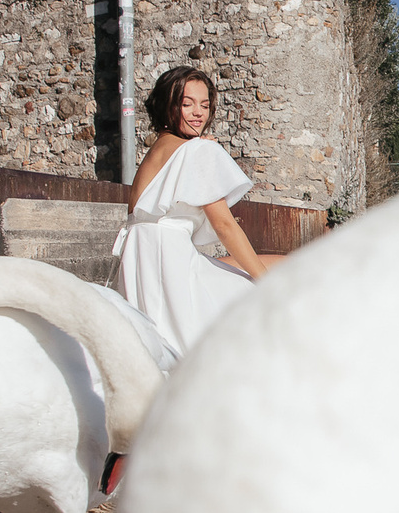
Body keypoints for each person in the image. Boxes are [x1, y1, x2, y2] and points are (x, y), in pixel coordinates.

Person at [113, 65, 280, 356]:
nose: (198, 113)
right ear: (168, 105)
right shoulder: (197, 151)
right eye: (186, 103)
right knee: (250, 304)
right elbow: (225, 226)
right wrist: (265, 283)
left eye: (204, 105)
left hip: (140, 259)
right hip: (171, 263)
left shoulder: (158, 150)